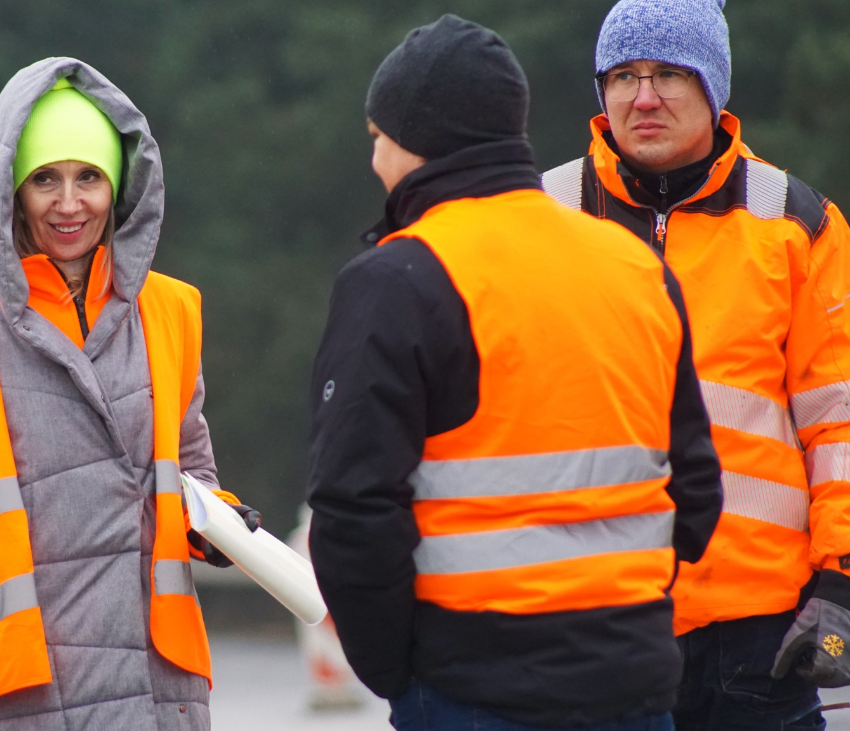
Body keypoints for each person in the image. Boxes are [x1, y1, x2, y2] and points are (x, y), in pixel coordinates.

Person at [307, 15, 724, 731]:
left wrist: (396, 671)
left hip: (470, 687)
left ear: (417, 141)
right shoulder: (635, 266)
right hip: (634, 682)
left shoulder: (399, 278)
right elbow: (697, 489)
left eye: (378, 139)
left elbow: (351, 511)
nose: (374, 160)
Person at [0, 57, 258, 731]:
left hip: (159, 695)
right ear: (9, 189)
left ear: (120, 185)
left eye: (89, 178)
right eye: (45, 178)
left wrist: (219, 523)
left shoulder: (171, 311)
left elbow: (189, 473)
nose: (69, 204)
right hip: (12, 700)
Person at [541, 1, 850, 727]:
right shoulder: (542, 215)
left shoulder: (797, 226)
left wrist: (840, 584)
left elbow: (839, 423)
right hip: (584, 617)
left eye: (670, 74)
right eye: (622, 76)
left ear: (715, 90)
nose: (642, 97)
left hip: (760, 631)